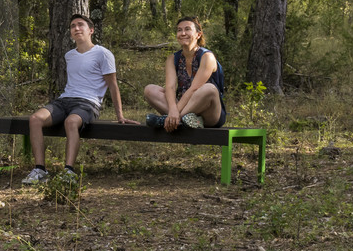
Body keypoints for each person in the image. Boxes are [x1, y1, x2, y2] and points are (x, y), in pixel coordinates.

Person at [24, 14, 134, 184]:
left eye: (80, 25)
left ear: (91, 30)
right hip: (64, 100)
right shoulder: (69, 55)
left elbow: (113, 85)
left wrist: (120, 115)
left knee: (71, 122)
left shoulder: (103, 54)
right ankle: (40, 170)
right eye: (72, 26)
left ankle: (68, 172)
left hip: (88, 103)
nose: (76, 28)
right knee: (35, 119)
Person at [143, 16, 227, 130]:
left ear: (198, 35)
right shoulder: (173, 59)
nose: (183, 33)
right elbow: (170, 88)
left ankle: (172, 120)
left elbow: (194, 89)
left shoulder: (207, 57)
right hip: (184, 108)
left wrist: (175, 113)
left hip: (210, 114)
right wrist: (173, 109)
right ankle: (180, 120)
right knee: (150, 90)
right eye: (179, 30)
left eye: (187, 29)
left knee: (209, 89)